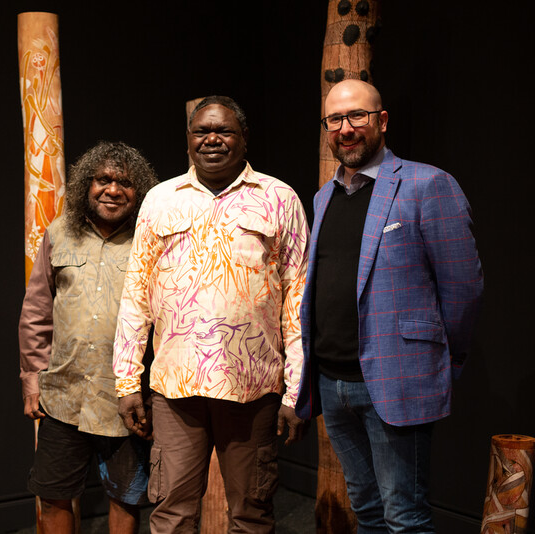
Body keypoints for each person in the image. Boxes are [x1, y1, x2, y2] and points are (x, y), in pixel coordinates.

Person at [114, 95, 310, 532]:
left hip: (253, 389)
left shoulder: (279, 198)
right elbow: (135, 297)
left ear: (243, 139)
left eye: (224, 131)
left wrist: (296, 392)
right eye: (202, 131)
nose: (212, 140)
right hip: (175, 390)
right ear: (188, 140)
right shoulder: (161, 200)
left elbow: (298, 298)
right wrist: (127, 381)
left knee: (251, 515)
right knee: (172, 515)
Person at [296, 79, 484, 532]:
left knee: (406, 518)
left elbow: (463, 288)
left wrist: (441, 362)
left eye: (356, 116)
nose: (345, 128)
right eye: (335, 119)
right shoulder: (325, 197)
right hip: (333, 384)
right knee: (368, 513)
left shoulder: (428, 184)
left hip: (397, 381)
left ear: (381, 120)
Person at [19, 141, 159, 533]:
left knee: (126, 496)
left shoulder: (150, 238)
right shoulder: (60, 232)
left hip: (127, 398)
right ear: (87, 184)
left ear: (140, 191)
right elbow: (36, 312)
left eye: (125, 183)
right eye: (103, 179)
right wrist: (32, 379)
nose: (113, 190)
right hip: (63, 394)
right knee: (54, 494)